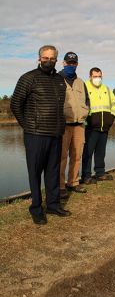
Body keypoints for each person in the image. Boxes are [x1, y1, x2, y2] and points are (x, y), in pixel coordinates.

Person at [10, 45, 71, 225]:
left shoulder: (60, 80)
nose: (48, 61)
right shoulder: (28, 78)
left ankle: (53, 204)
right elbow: (15, 104)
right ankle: (36, 208)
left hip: (55, 133)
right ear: (39, 58)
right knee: (35, 173)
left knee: (53, 171)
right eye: (45, 58)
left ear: (56, 60)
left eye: (52, 58)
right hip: (35, 134)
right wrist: (27, 125)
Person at [58, 52, 89, 199]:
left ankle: (73, 182)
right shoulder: (56, 79)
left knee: (77, 155)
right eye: (69, 63)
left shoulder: (81, 82)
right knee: (61, 156)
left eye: (74, 63)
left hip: (79, 125)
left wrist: (85, 113)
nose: (71, 65)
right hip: (63, 125)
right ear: (63, 63)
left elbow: (87, 101)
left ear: (77, 64)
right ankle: (60, 186)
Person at [81, 67, 115, 184]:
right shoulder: (84, 87)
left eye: (99, 76)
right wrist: (86, 119)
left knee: (101, 152)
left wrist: (112, 117)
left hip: (104, 126)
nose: (97, 78)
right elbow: (81, 105)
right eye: (95, 76)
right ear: (90, 77)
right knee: (88, 152)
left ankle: (100, 173)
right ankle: (86, 176)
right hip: (90, 127)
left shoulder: (106, 89)